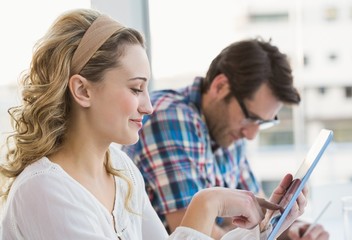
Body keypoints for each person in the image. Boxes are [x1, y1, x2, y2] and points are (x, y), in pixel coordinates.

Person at [0, 8, 305, 240]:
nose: (148, 106)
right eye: (135, 89)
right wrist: (207, 203)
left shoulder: (120, 171)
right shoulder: (44, 190)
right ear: (82, 90)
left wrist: (265, 229)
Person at [122, 38, 329, 240]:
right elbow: (195, 232)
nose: (251, 135)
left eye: (262, 123)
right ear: (220, 86)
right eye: (251, 118)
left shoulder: (229, 127)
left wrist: (291, 229)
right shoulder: (169, 117)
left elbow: (255, 215)